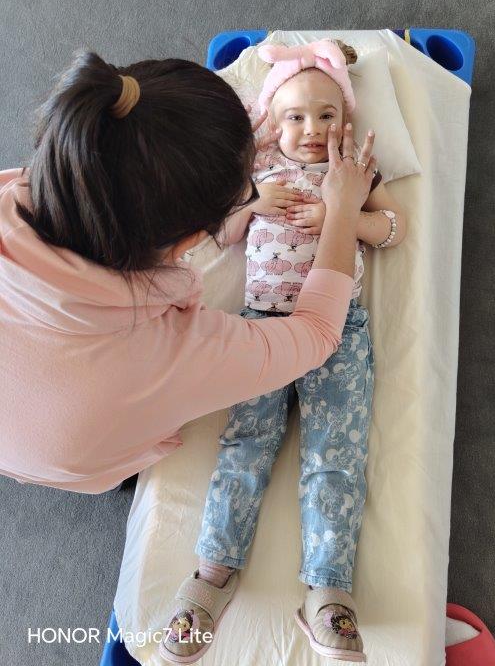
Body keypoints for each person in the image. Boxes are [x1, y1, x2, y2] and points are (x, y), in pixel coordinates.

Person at [0, 47, 378, 497]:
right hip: (75, 458)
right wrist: (342, 212)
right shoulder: (174, 352)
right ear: (193, 242)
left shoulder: (32, 181)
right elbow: (316, 333)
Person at [159, 40, 407, 664]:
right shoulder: (257, 172)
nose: (313, 129)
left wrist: (341, 215)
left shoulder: (352, 172)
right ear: (272, 122)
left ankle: (328, 590)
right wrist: (251, 205)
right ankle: (212, 575)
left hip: (340, 332)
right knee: (246, 444)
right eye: (295, 116)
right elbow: (222, 235)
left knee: (335, 455)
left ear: (345, 121)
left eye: (327, 115)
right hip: (263, 329)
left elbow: (392, 228)